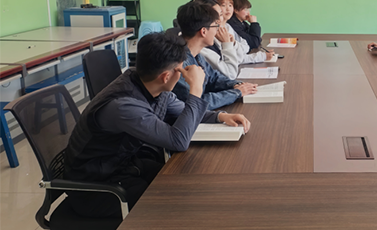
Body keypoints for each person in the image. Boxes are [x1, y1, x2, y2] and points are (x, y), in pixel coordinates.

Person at [63, 32, 251, 218]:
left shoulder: (151, 85)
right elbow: (178, 141)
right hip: (95, 189)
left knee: (188, 180)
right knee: (174, 202)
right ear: (165, 76)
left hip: (122, 167)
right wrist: (196, 89)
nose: (183, 74)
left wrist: (220, 116)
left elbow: (183, 111)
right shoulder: (124, 106)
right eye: (180, 70)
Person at [172, 0, 257, 109]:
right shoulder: (178, 63)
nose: (218, 29)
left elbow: (214, 78)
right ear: (203, 31)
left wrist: (237, 85)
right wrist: (236, 92)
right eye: (215, 26)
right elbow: (197, 102)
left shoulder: (196, 54)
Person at [199, 0, 273, 79]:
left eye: (230, 5)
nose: (228, 9)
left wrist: (233, 43)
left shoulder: (228, 26)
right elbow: (231, 71)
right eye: (223, 6)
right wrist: (228, 44)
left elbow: (245, 48)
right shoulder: (211, 39)